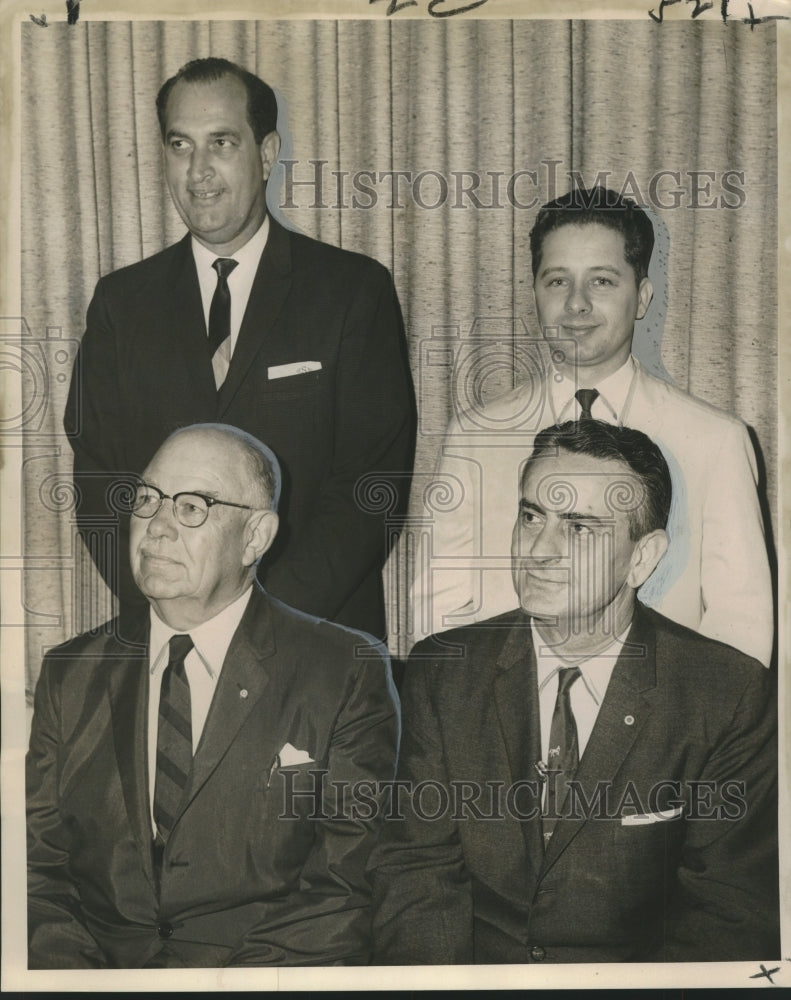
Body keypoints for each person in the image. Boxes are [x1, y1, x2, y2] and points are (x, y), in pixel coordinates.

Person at [371, 420, 778, 964]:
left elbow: (727, 915)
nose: (540, 551)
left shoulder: (725, 693)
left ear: (643, 557)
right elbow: (417, 880)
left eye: (580, 528)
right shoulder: (443, 672)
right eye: (531, 516)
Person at [64, 56, 415, 641]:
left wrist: (253, 627)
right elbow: (99, 484)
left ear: (268, 152)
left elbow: (371, 487)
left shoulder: (353, 292)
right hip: (165, 645)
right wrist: (168, 609)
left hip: (314, 643)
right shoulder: (120, 303)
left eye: (222, 142)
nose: (198, 170)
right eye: (180, 145)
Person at [27, 424, 400, 968]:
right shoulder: (70, 672)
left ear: (256, 537)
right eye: (147, 499)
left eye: (192, 507)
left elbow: (342, 888)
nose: (155, 528)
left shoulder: (342, 669)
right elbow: (37, 870)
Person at [409, 186, 772, 665]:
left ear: (641, 297)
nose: (576, 304)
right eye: (557, 281)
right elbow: (438, 605)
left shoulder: (716, 441)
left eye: (602, 282)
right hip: (509, 718)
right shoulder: (476, 434)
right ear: (535, 293)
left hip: (659, 721)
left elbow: (740, 628)